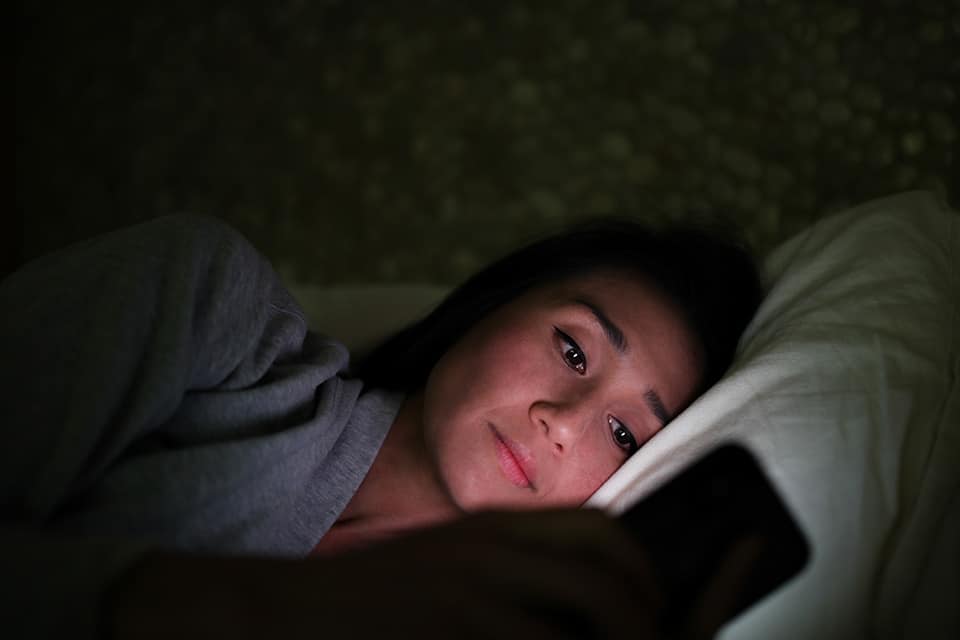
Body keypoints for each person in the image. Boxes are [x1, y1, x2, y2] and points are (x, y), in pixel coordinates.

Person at [0, 213, 762, 639]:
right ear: (495, 303)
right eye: (572, 348)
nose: (562, 423)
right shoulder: (210, 318)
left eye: (625, 435)